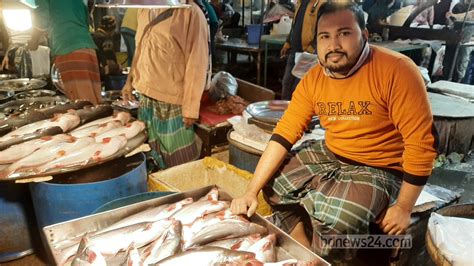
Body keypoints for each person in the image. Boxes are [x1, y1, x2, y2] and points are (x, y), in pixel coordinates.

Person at [231, 2, 437, 259]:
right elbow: (285, 132)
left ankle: (330, 255)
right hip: (332, 153)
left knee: (340, 221)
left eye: (344, 33)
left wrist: (404, 207)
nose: (334, 44)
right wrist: (250, 190)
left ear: (364, 34)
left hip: (381, 166)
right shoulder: (314, 78)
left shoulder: (397, 70)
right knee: (271, 182)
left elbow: (422, 144)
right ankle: (304, 247)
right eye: (324, 36)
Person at [122, 4, 209, 169]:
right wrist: (129, 82)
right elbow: (139, 48)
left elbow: (197, 62)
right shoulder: (144, 8)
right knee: (152, 156)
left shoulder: (191, 13)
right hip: (145, 95)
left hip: (172, 101)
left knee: (179, 163)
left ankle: (184, 193)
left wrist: (190, 108)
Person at [28, 0, 101, 104]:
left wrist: (33, 41)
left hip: (67, 48)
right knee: (94, 102)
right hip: (87, 49)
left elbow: (42, 21)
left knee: (83, 105)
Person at [280, 0, 321, 100]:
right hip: (294, 52)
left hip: (308, 55)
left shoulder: (321, 4)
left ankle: (297, 113)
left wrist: (311, 49)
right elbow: (294, 26)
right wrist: (287, 43)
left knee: (298, 88)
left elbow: (322, 30)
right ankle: (284, 113)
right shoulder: (300, 3)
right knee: (286, 84)